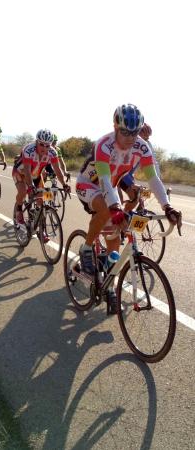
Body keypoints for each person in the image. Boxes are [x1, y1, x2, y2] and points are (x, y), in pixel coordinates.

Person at [75, 104, 181, 313]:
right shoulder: (104, 145)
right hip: (89, 184)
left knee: (114, 242)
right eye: (125, 132)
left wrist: (167, 206)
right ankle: (87, 248)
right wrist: (115, 208)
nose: (130, 138)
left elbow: (153, 178)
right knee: (107, 208)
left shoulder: (142, 147)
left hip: (110, 188)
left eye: (134, 132)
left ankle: (110, 286)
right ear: (115, 128)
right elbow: (104, 179)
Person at [12, 128, 71, 225]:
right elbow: (27, 171)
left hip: (36, 176)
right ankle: (18, 209)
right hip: (20, 173)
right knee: (23, 191)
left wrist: (64, 184)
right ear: (36, 142)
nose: (44, 147)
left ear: (50, 145)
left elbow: (57, 169)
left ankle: (39, 223)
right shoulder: (28, 150)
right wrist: (30, 186)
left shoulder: (53, 152)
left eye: (47, 145)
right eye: (41, 144)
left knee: (45, 198)